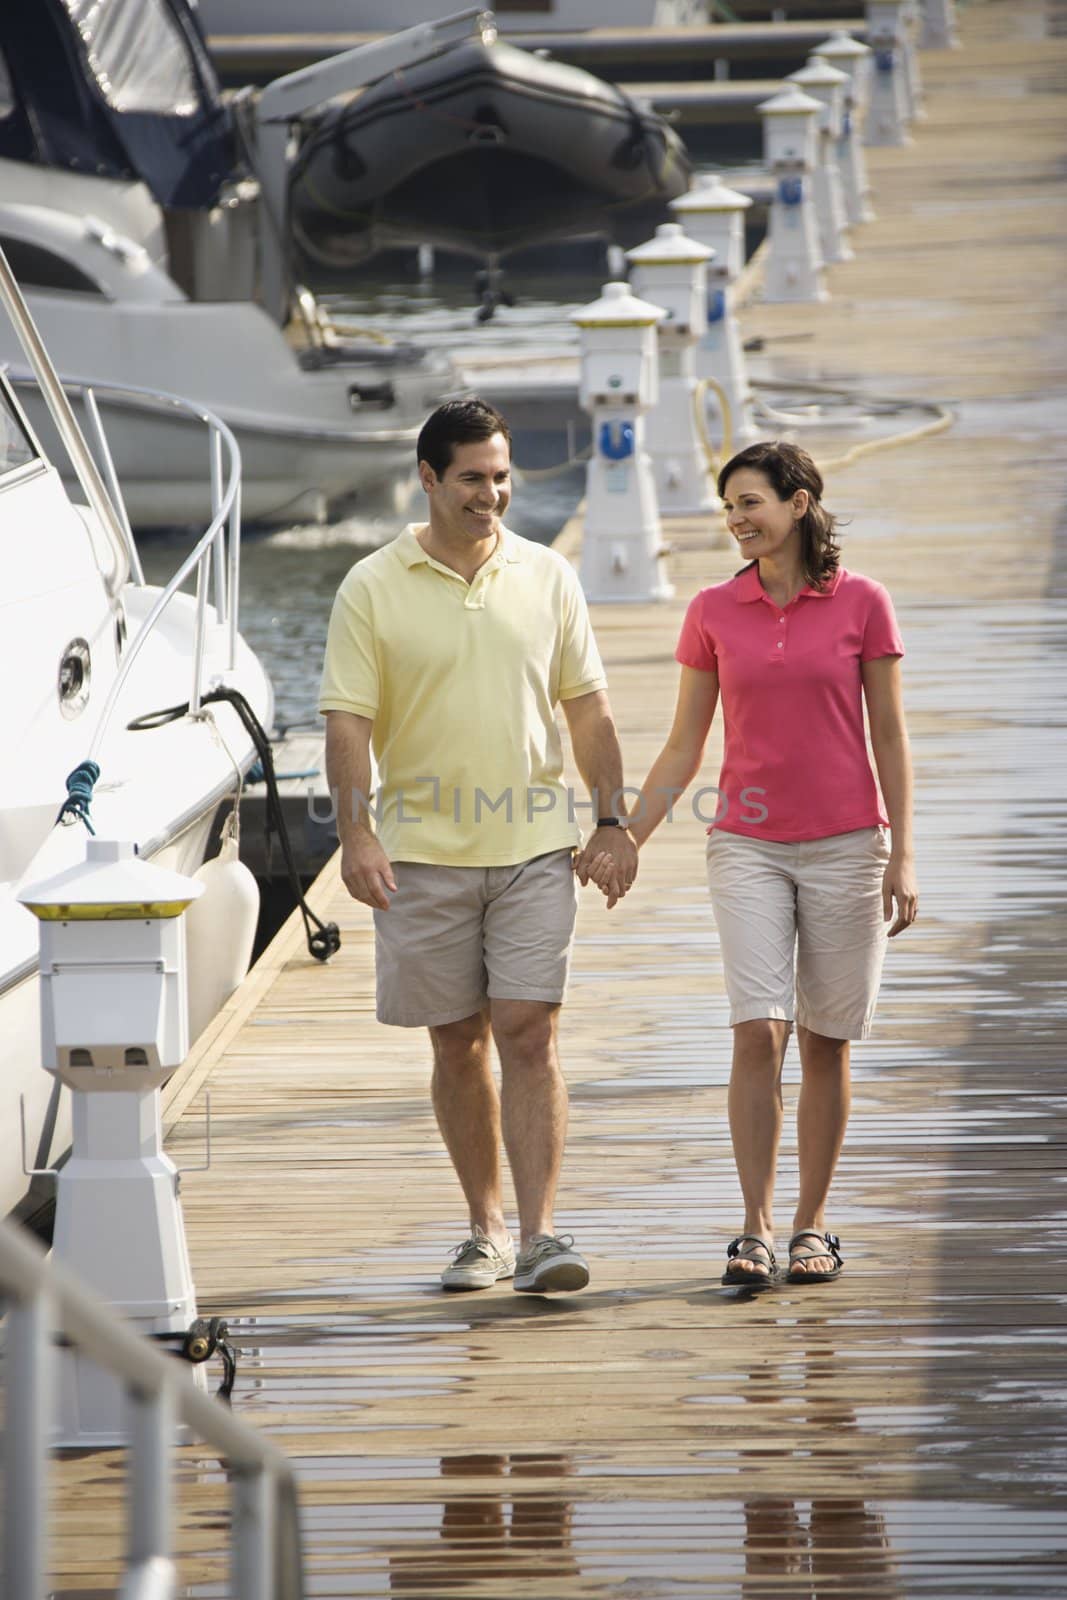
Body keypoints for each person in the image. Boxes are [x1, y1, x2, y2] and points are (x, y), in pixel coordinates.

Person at [319, 398, 637, 1295]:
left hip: (536, 843)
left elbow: (589, 710)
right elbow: (348, 720)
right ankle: (484, 1229)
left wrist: (612, 821)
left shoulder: (549, 577)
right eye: (472, 477)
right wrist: (356, 833)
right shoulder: (371, 586)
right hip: (419, 851)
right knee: (456, 1041)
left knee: (527, 1033)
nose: (491, 493)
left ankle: (540, 1235)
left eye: (501, 476)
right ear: (428, 479)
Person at [583, 441, 917, 1288]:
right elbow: (682, 747)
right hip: (747, 843)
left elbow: (889, 737)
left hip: (849, 841)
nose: (736, 520)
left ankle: (811, 1226)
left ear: (798, 504)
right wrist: (624, 833)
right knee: (758, 1027)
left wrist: (902, 853)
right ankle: (754, 1227)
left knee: (828, 1042)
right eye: (728, 506)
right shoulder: (710, 610)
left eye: (750, 503)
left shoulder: (863, 603)